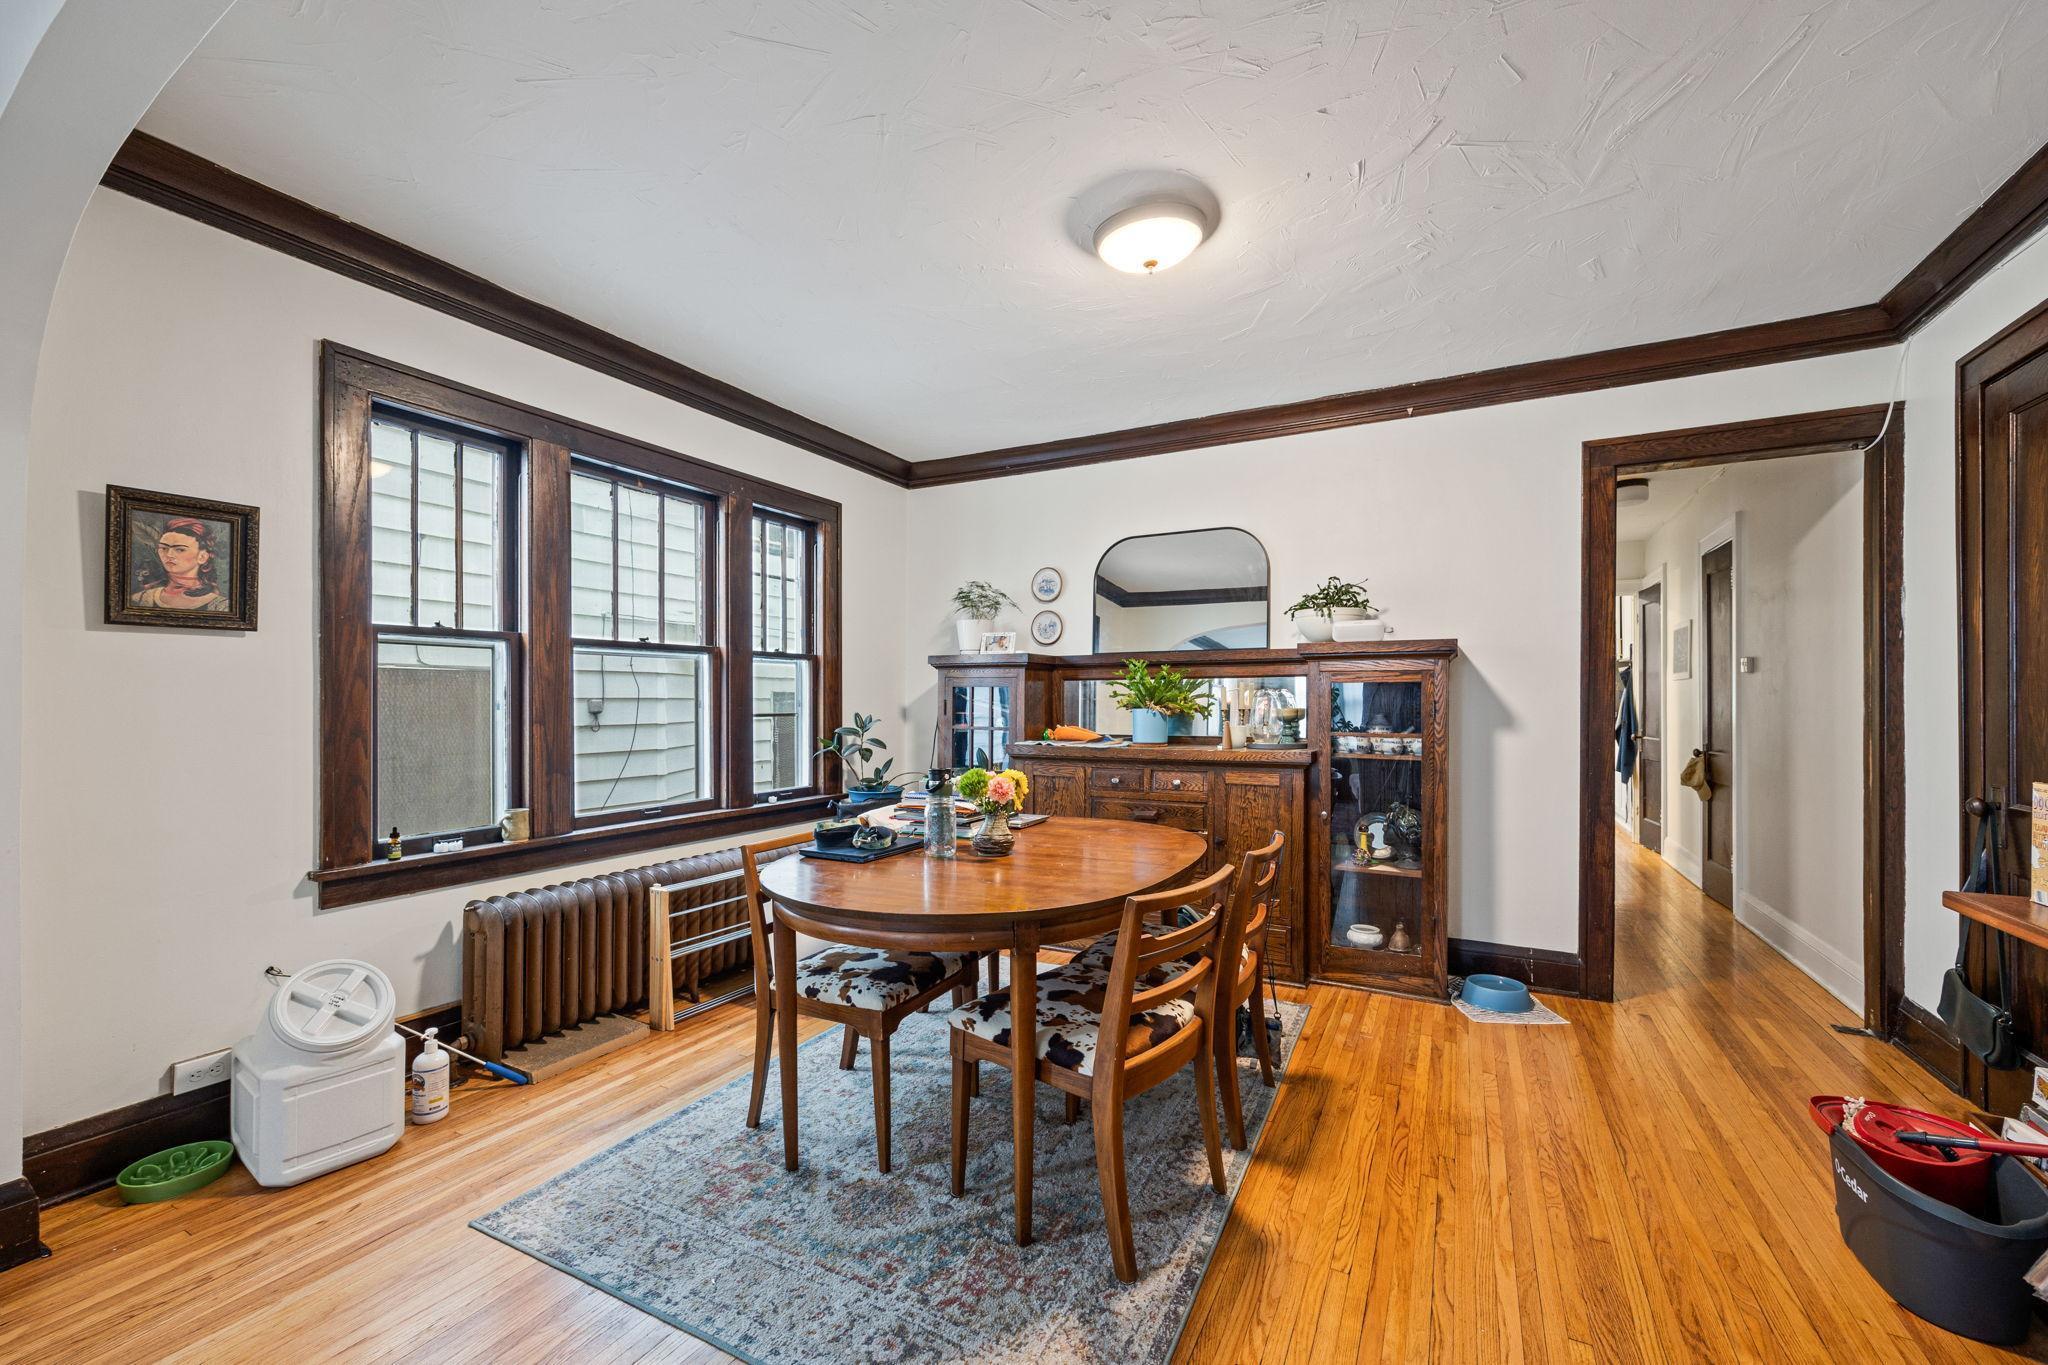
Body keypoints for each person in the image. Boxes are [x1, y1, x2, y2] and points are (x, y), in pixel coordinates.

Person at [130, 516, 230, 612]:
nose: (169, 555)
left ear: (202, 557)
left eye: (180, 549)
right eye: (164, 548)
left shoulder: (222, 606)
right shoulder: (140, 599)